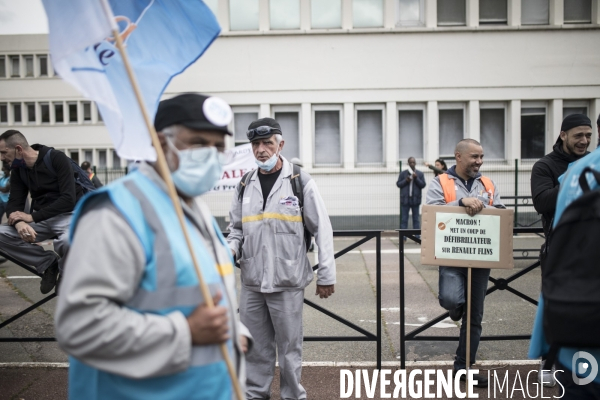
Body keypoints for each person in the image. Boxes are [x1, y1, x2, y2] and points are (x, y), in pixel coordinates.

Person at [55, 93, 250, 399]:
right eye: (198, 143)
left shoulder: (193, 208)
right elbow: (79, 325)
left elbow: (204, 299)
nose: (211, 155)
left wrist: (235, 335)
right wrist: (184, 333)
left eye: (219, 148)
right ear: (160, 143)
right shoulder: (116, 212)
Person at [227, 117, 336, 400]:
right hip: (252, 282)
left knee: (289, 350)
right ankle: (254, 395)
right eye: (256, 144)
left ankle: (292, 395)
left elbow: (322, 229)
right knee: (255, 347)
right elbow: (236, 230)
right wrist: (230, 249)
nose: (261, 149)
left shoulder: (299, 181)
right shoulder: (244, 184)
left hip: (287, 281)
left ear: (280, 144)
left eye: (267, 143)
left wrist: (326, 275)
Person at [426, 139, 505, 388]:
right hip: (450, 255)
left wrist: (491, 211)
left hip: (480, 258)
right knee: (451, 299)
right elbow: (431, 211)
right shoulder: (440, 182)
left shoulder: (488, 183)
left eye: (481, 157)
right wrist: (460, 203)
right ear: (458, 156)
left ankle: (463, 368)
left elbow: (501, 212)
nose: (479, 162)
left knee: (474, 317)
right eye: (474, 157)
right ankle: (455, 307)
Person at [530, 113, 592, 387]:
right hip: (559, 250)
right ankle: (548, 360)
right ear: (563, 135)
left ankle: (583, 364)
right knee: (556, 308)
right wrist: (573, 175)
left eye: (589, 135)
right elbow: (542, 202)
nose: (584, 141)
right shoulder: (545, 165)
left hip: (593, 250)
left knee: (589, 311)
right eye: (578, 135)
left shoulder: (591, 161)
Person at [0, 130, 82, 294]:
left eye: (3, 152)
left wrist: (30, 216)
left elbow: (68, 199)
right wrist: (20, 223)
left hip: (68, 216)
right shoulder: (19, 170)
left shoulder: (56, 158)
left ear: (18, 149)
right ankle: (47, 263)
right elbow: (14, 203)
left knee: (69, 241)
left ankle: (65, 274)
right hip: (42, 219)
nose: (1, 158)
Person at [396, 156, 426, 241]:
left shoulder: (420, 174)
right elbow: (398, 184)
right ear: (408, 163)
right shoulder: (403, 173)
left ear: (415, 163)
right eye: (410, 162)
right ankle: (403, 238)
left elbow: (423, 185)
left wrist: (416, 178)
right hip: (405, 200)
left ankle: (417, 237)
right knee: (404, 219)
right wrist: (406, 180)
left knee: (416, 219)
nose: (412, 164)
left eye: (413, 162)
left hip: (415, 200)